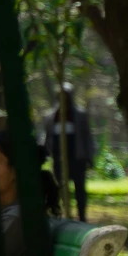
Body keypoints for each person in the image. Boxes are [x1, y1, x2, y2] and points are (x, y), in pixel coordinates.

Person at [43, 83, 92, 220]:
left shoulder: (80, 115)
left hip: (77, 158)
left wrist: (89, 156)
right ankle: (65, 214)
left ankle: (82, 216)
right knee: (61, 188)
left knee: (79, 189)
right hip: (59, 159)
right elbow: (48, 137)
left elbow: (87, 137)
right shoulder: (51, 117)